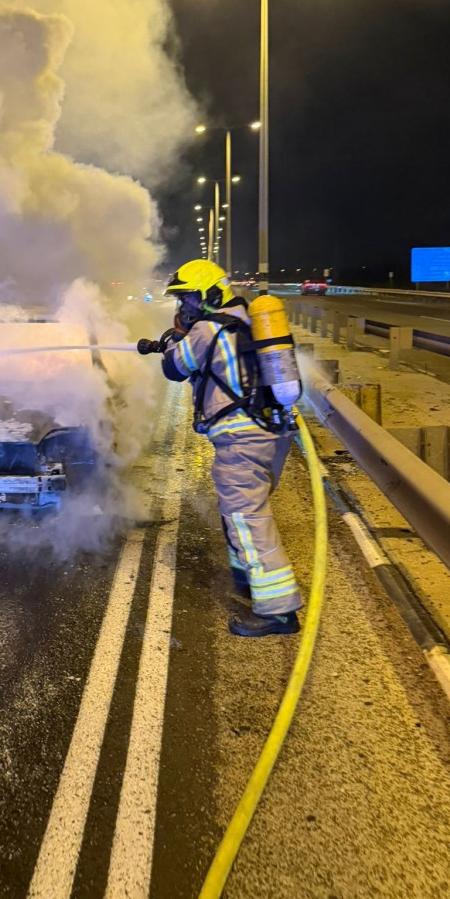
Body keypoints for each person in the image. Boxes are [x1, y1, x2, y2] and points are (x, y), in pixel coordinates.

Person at [139, 259, 302, 637]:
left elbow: (174, 368)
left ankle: (278, 611)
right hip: (269, 434)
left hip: (241, 439)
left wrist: (172, 342)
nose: (184, 306)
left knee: (246, 517)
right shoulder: (243, 320)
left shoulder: (207, 329)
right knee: (240, 512)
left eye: (189, 298)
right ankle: (246, 576)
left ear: (210, 295)